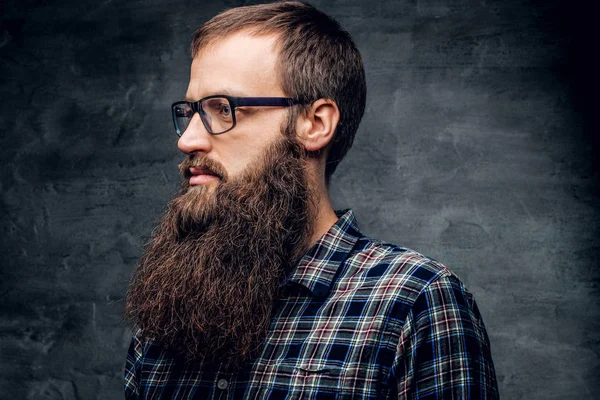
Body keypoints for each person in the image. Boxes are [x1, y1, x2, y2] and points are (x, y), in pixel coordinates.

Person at [123, 1, 498, 398]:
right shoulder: (170, 312)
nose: (187, 140)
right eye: (191, 111)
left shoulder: (412, 304)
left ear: (315, 124)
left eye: (222, 108)